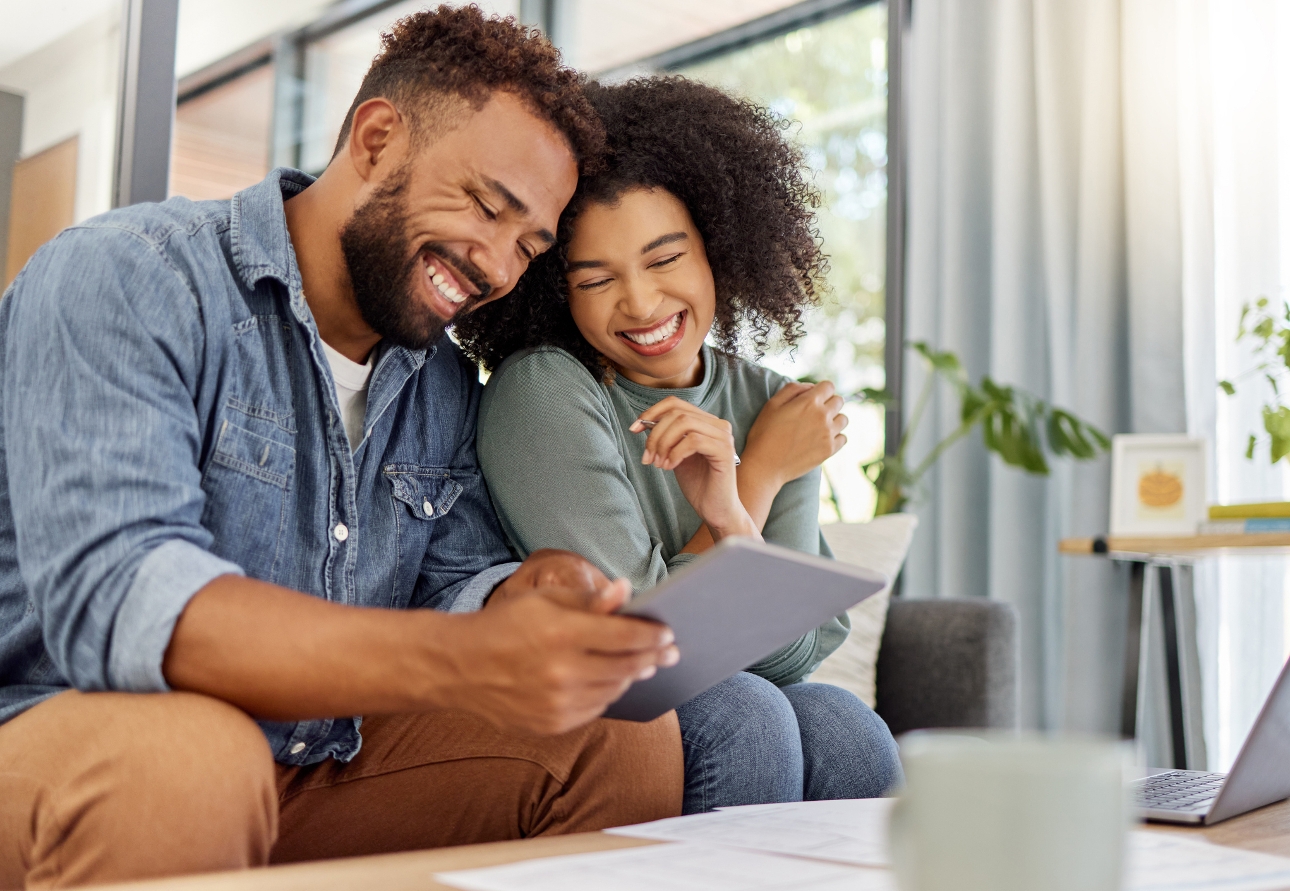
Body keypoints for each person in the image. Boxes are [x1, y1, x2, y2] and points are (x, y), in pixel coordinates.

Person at [0, 9, 686, 888]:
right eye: (486, 204)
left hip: (315, 767)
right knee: (192, 760)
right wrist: (462, 659)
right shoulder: (129, 275)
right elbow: (126, 597)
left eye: (529, 244)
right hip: (74, 741)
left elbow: (455, 581)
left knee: (619, 730)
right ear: (376, 138)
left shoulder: (437, 381)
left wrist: (527, 591)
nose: (500, 268)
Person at [456, 77, 904, 815]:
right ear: (557, 292)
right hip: (579, 708)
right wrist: (754, 478)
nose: (639, 303)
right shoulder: (544, 390)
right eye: (596, 279)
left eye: (665, 260)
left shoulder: (770, 400)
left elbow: (794, 654)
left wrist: (732, 514)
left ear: (718, 251)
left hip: (725, 693)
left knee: (843, 724)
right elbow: (641, 649)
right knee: (744, 712)